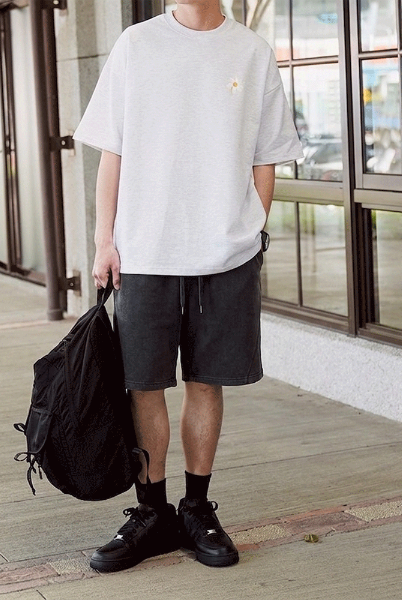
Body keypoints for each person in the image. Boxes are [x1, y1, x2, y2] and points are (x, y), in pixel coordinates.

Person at [73, 0, 302, 573]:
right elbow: (111, 151)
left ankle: (197, 509)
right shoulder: (137, 45)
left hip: (225, 253)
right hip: (145, 249)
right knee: (143, 385)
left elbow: (267, 155)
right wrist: (104, 241)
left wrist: (251, 227)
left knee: (206, 381)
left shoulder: (251, 52)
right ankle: (152, 513)